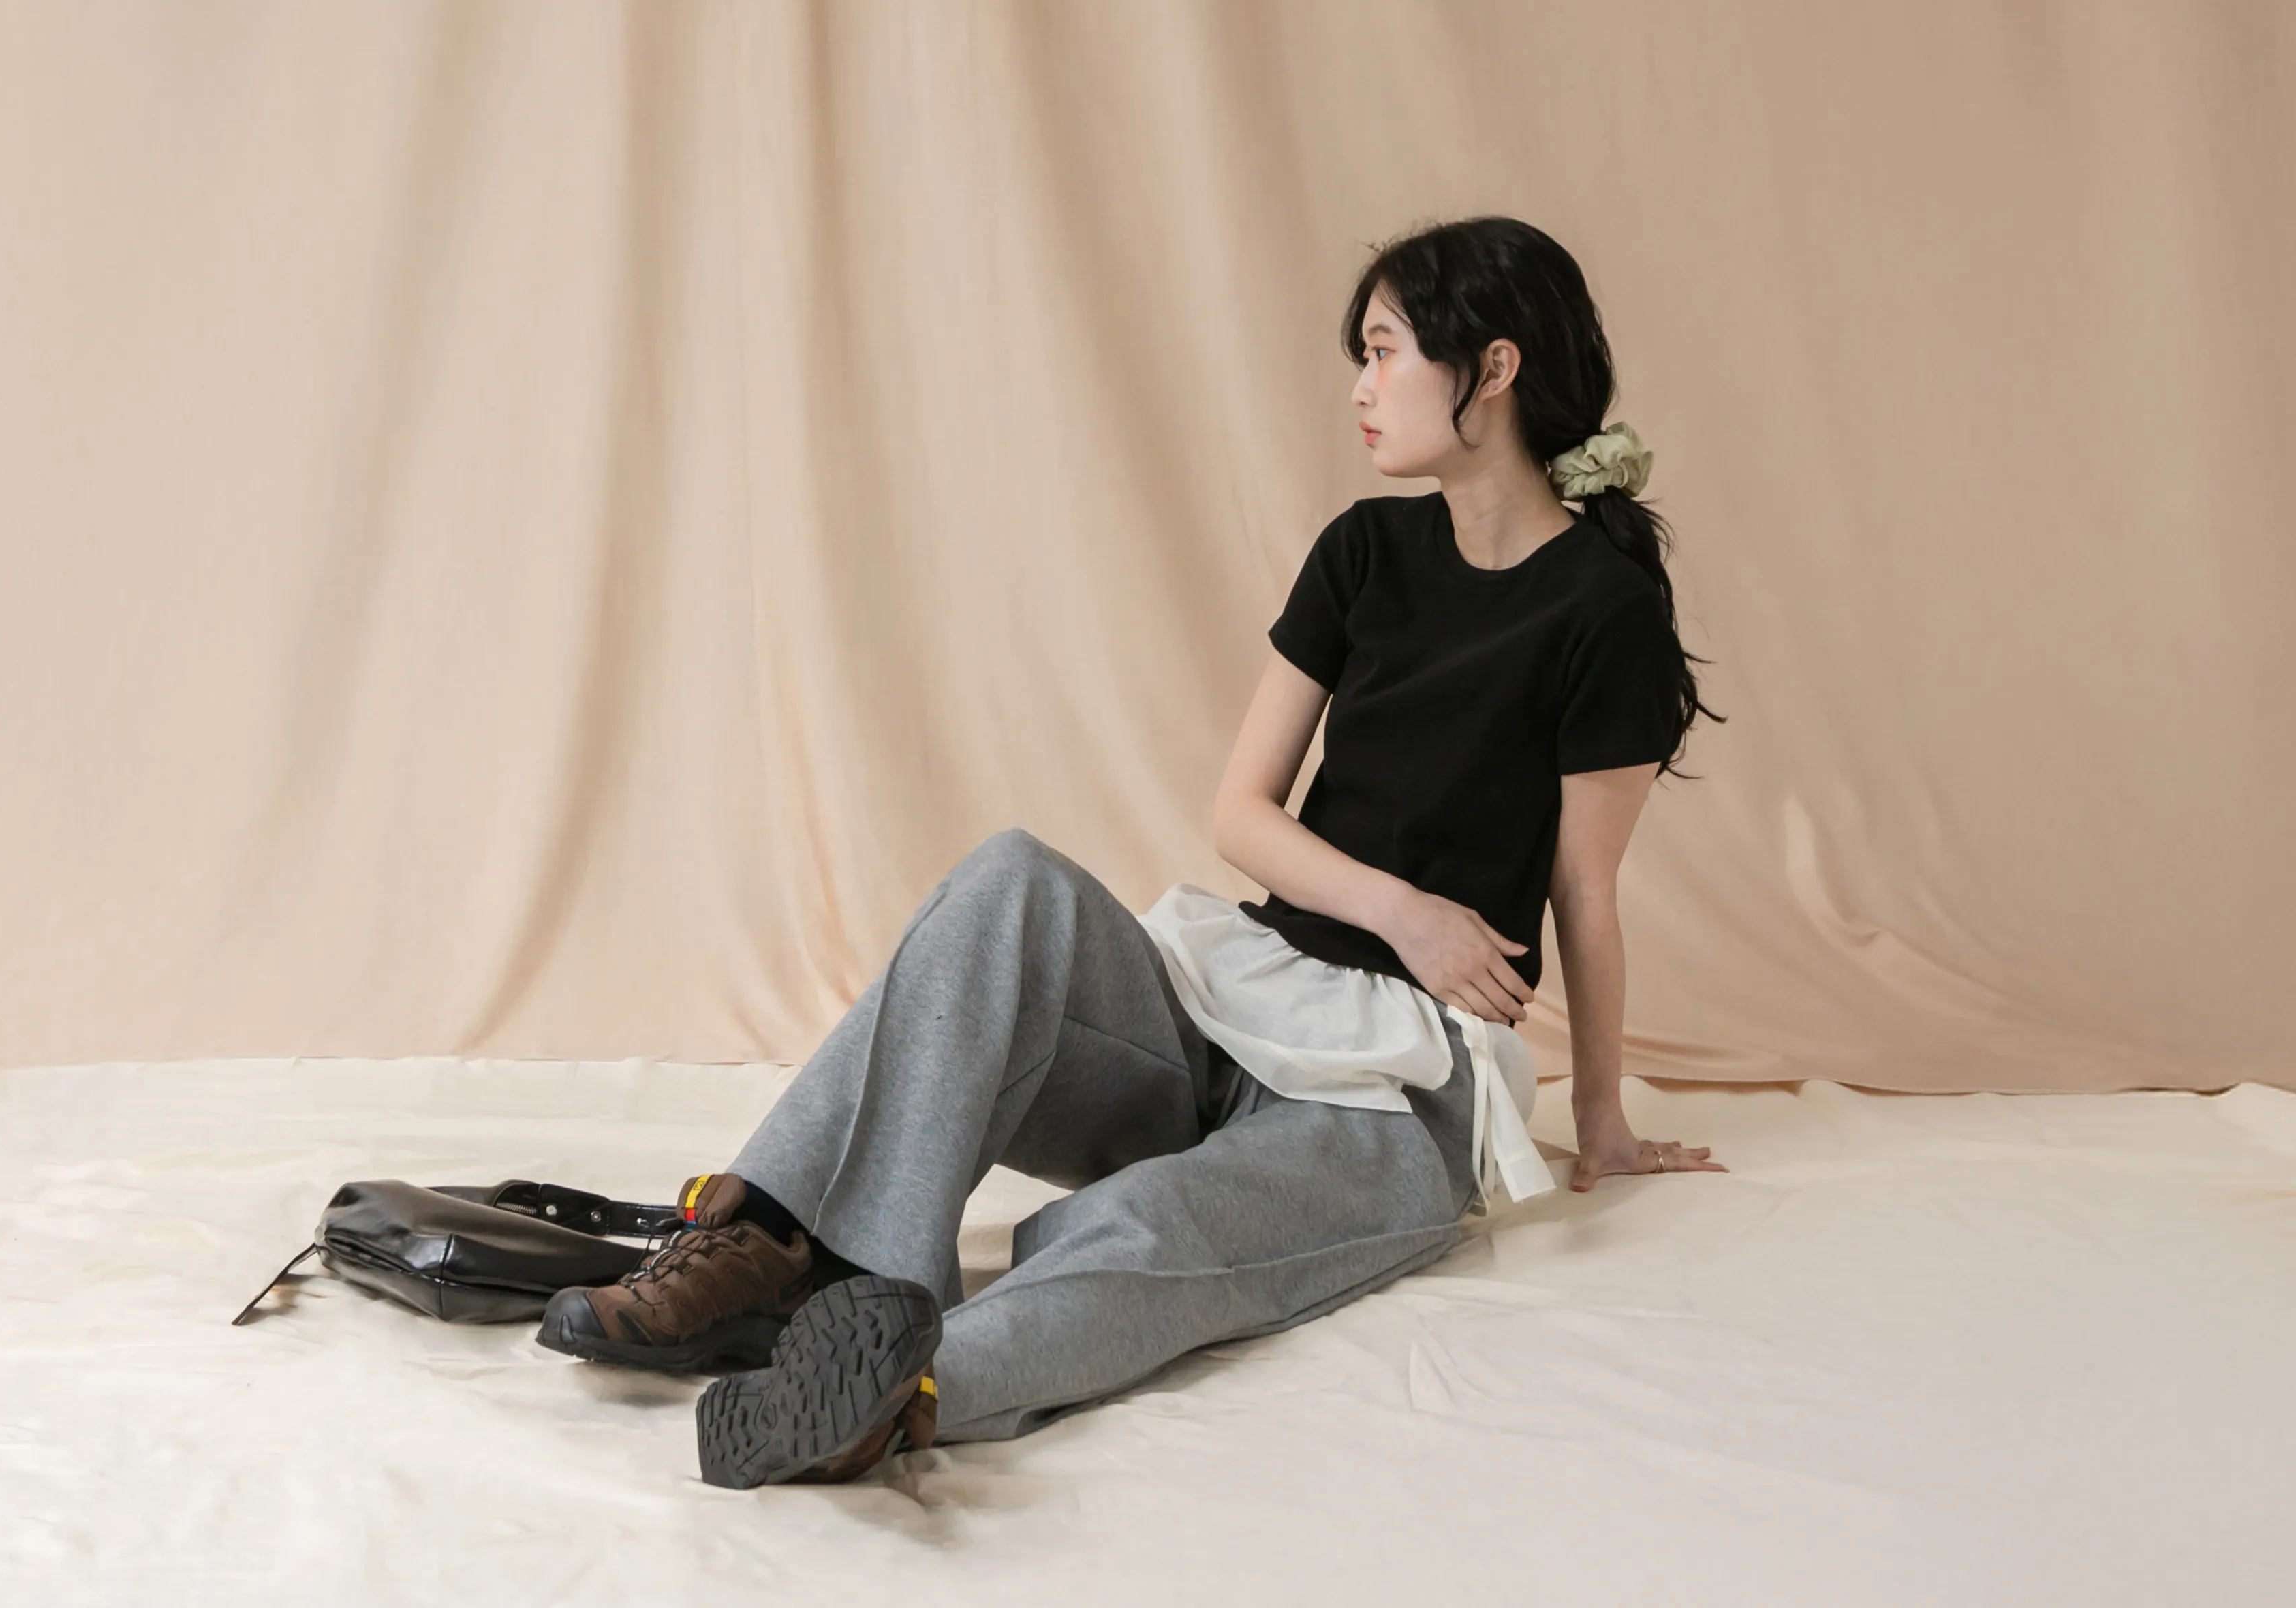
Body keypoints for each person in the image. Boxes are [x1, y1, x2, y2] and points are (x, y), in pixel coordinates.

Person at [536, 216, 1729, 1490]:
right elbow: (1243, 815)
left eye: (1384, 351)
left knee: (1158, 1225)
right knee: (1008, 881)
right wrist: (1404, 912)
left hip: (1400, 1094)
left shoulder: (1604, 606)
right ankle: (782, 1245)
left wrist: (1601, 1122)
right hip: (1233, 1009)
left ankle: (903, 1390)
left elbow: (1584, 890)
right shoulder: (1365, 552)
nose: (1360, 386)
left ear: (1491, 369)